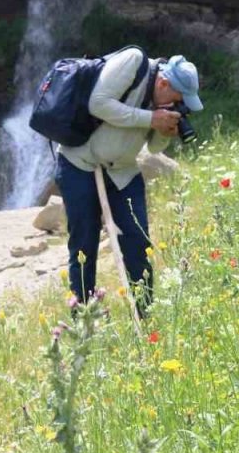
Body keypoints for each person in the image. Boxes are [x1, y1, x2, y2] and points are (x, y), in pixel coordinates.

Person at [54, 48, 203, 314]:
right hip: (80, 164)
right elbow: (97, 103)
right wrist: (151, 117)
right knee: (84, 245)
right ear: (163, 83)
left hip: (123, 172)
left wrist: (165, 129)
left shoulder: (161, 102)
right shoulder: (133, 61)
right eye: (177, 98)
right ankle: (83, 320)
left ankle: (146, 317)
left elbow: (155, 148)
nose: (177, 105)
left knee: (138, 242)